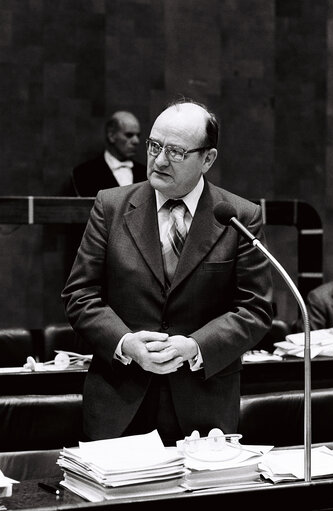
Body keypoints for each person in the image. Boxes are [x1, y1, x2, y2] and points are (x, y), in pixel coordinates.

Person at [62, 99, 273, 446]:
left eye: (175, 151)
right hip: (120, 400)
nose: (159, 160)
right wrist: (125, 342)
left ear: (207, 159)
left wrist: (195, 346)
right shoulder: (110, 206)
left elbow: (255, 309)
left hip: (203, 406)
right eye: (155, 146)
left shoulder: (238, 216)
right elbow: (79, 294)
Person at [72, 110, 146, 196]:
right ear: (111, 135)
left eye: (138, 135)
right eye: (129, 135)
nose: (136, 141)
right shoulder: (83, 173)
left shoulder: (146, 174)